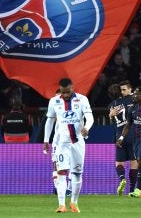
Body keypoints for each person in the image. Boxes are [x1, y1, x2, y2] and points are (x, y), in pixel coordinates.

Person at [43, 78, 94, 213]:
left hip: (78, 142)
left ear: (72, 87)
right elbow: (49, 121)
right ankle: (61, 205)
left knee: (77, 173)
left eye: (67, 92)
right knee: (61, 171)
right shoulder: (54, 101)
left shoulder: (82, 100)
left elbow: (90, 117)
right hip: (61, 143)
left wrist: (87, 127)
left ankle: (74, 203)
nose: (65, 95)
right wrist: (46, 140)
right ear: (60, 89)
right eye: (63, 92)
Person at [108, 80, 138, 196]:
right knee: (134, 163)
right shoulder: (130, 100)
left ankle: (122, 179)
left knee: (119, 163)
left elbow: (112, 122)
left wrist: (110, 116)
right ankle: (131, 190)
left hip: (119, 136)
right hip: (132, 135)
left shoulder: (111, 106)